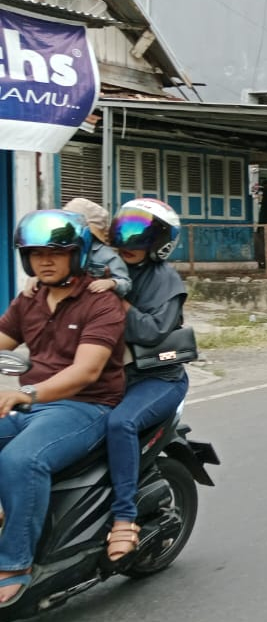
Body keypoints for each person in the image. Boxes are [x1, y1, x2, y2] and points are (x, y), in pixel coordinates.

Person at [0, 210, 126, 605]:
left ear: (78, 254)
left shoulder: (100, 302)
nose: (45, 261)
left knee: (22, 460)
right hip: (34, 404)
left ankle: (15, 563)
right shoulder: (29, 299)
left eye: (57, 252)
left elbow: (87, 372)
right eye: (36, 254)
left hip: (85, 407)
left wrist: (30, 394)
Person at [103, 198, 190, 561]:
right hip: (109, 375)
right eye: (124, 232)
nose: (130, 243)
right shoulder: (106, 269)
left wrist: (118, 302)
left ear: (161, 242)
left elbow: (153, 331)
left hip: (158, 379)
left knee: (121, 423)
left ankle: (123, 515)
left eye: (141, 236)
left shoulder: (164, 279)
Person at [21, 198, 131, 300]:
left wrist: (111, 283)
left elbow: (125, 282)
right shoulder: (63, 249)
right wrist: (37, 279)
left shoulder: (106, 255)